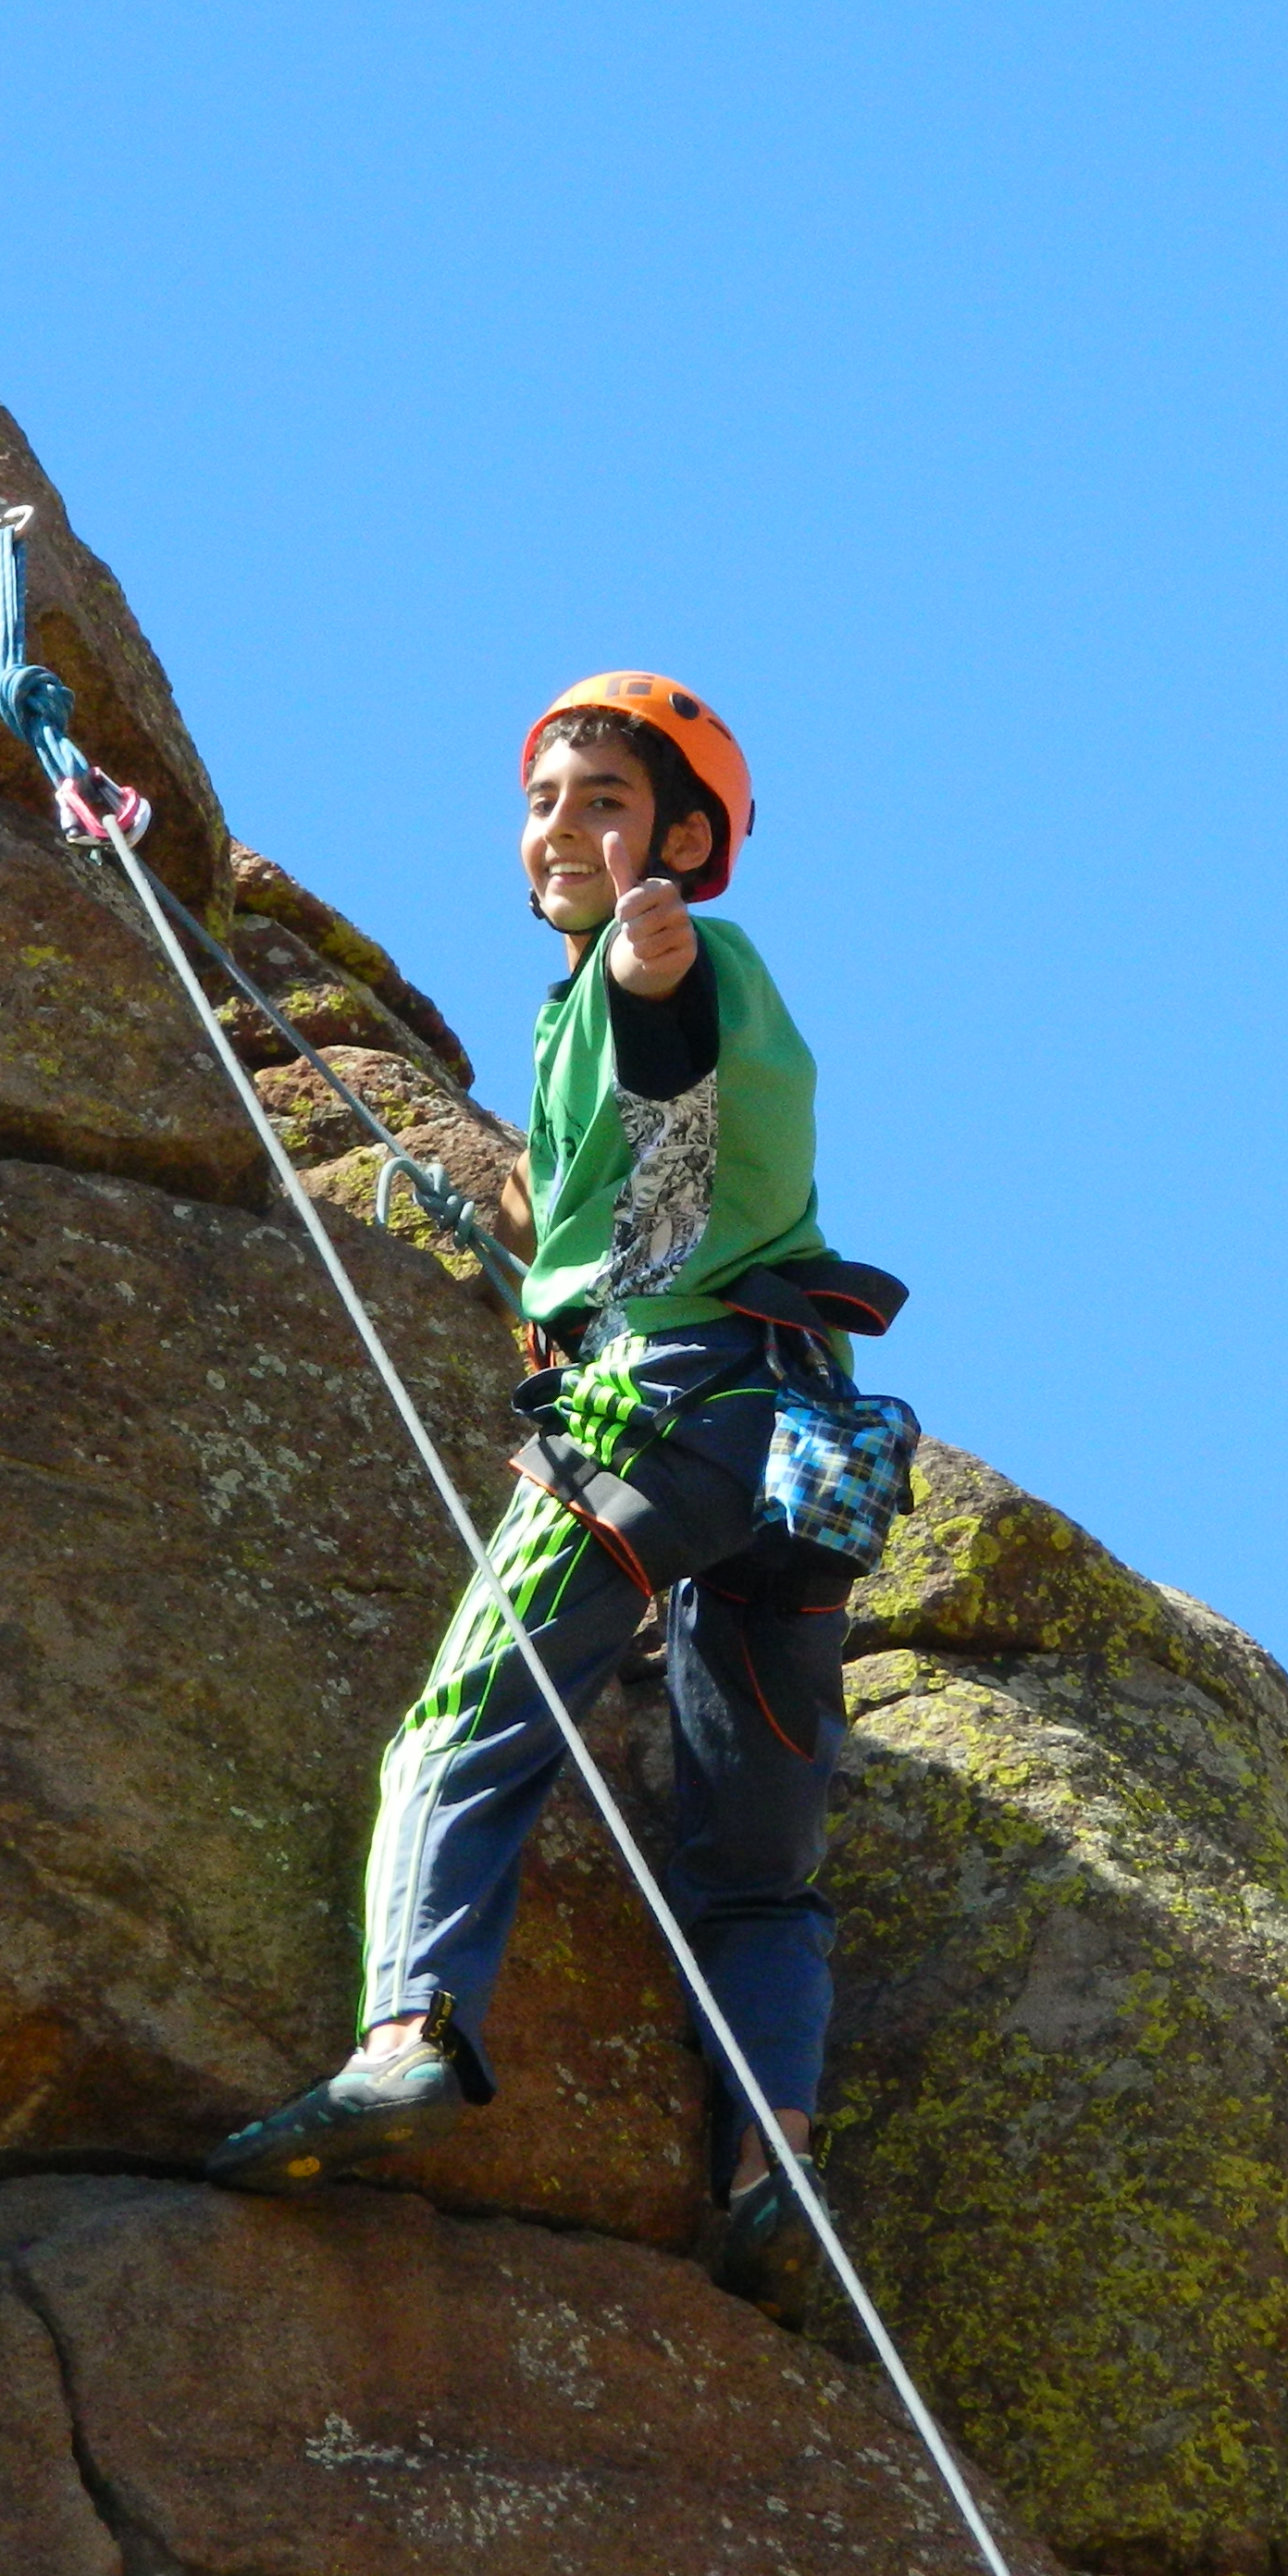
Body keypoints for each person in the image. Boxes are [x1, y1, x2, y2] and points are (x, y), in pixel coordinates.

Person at [204, 674, 906, 2310]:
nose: (564, 828)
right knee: (753, 1866)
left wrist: (650, 970)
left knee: (463, 1730)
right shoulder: (620, 1009)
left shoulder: (667, 968)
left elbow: (664, 1066)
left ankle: (410, 2035)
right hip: (802, 1460)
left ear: (679, 840)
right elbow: (630, 1173)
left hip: (655, 1423)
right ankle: (772, 2151)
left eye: (603, 799)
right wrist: (525, 1222)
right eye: (545, 801)